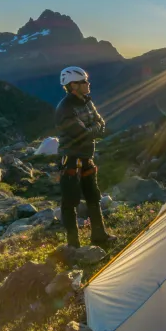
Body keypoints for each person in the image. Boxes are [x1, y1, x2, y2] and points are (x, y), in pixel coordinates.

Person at [55, 66, 117, 248]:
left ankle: (99, 235)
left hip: (85, 157)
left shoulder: (87, 102)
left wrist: (92, 129)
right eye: (84, 81)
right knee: (70, 201)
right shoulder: (65, 108)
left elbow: (101, 124)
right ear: (73, 85)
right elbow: (82, 134)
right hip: (71, 159)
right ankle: (73, 245)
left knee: (93, 196)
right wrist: (93, 129)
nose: (88, 84)